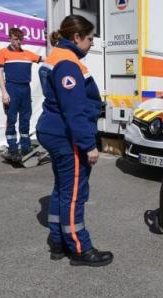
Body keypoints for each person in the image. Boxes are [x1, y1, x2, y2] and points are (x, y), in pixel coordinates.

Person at [36, 15, 113, 267]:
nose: (92, 44)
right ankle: (79, 248)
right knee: (75, 194)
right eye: (90, 38)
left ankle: (58, 242)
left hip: (54, 131)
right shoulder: (68, 64)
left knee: (62, 189)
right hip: (66, 135)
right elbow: (74, 110)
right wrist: (88, 145)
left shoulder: (56, 57)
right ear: (77, 37)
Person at [0, 28, 42, 161]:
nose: (18, 42)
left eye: (20, 39)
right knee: (11, 119)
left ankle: (26, 148)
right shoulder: (3, 52)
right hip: (11, 88)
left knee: (25, 119)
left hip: (25, 89)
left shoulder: (27, 54)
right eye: (15, 39)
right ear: (9, 38)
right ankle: (13, 149)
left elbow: (45, 59)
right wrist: (4, 92)